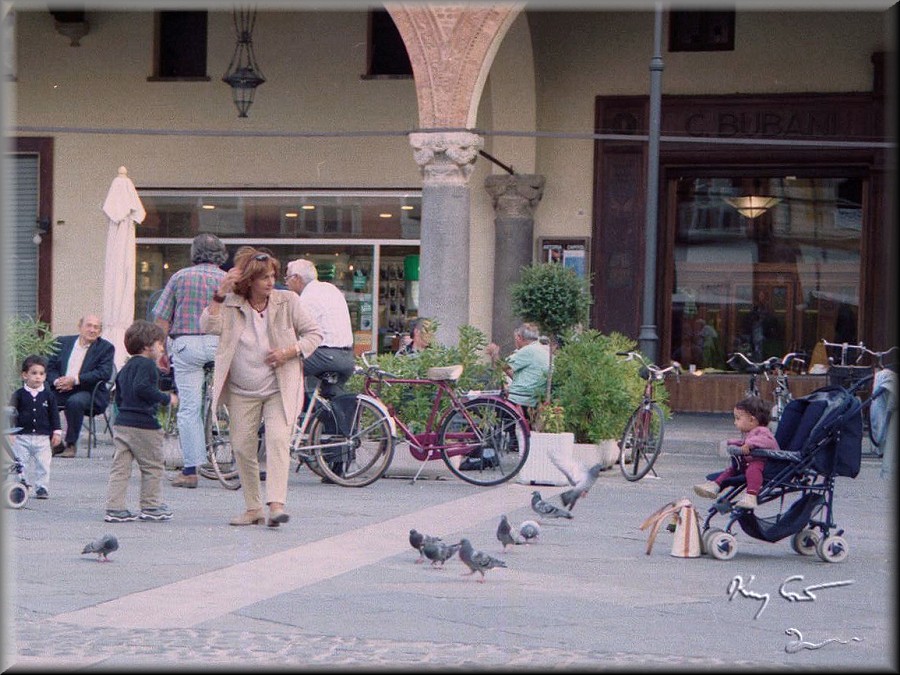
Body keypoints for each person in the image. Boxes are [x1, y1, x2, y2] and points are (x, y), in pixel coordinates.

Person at [200, 247, 323, 527]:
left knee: (278, 441)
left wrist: (289, 351)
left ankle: (276, 505)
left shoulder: (287, 301)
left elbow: (314, 334)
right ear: (249, 281)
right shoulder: (231, 302)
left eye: (273, 276)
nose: (270, 282)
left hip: (279, 386)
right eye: (263, 277)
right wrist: (219, 293)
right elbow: (208, 325)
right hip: (242, 390)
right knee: (242, 447)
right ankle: (253, 507)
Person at [152, 232, 228, 488]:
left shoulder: (180, 276)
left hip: (188, 345)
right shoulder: (227, 280)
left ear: (194, 253)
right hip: (220, 345)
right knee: (234, 400)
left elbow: (162, 318)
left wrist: (160, 351)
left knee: (189, 409)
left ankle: (190, 470)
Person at [104, 320, 178, 523]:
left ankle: (115, 507)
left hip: (123, 423)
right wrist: (166, 398)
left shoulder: (126, 367)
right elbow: (142, 388)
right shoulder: (147, 365)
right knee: (152, 466)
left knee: (120, 467)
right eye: (159, 344)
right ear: (147, 346)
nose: (162, 348)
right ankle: (151, 505)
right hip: (143, 424)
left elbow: (118, 395)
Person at [46, 314, 115, 458]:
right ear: (80, 327)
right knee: (44, 399)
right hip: (61, 388)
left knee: (75, 402)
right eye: (89, 326)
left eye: (96, 327)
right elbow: (50, 367)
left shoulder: (106, 348)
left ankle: (71, 444)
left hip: (89, 391)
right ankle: (55, 443)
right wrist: (57, 381)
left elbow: (103, 373)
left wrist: (75, 380)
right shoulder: (62, 342)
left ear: (100, 331)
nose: (92, 330)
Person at [692, 395, 778, 510]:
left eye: (738, 418)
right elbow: (744, 442)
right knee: (731, 469)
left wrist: (749, 444)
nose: (735, 422)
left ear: (752, 420)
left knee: (753, 469)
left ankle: (751, 495)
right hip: (748, 462)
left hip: (764, 463)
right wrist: (734, 443)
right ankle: (715, 485)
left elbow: (767, 442)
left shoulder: (763, 431)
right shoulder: (750, 432)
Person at [284, 258, 355, 397]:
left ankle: (290, 410)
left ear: (296, 278)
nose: (286, 283)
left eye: (287, 278)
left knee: (284, 366)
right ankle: (317, 415)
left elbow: (296, 330)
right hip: (346, 358)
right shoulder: (330, 289)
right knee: (331, 400)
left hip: (324, 356)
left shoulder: (308, 297)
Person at [8, 355, 63, 499]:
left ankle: (42, 487)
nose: (38, 377)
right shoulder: (19, 394)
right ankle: (21, 485)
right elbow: (11, 413)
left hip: (42, 437)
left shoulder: (48, 396)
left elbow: (54, 414)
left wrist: (56, 432)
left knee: (43, 464)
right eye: (33, 373)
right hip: (22, 436)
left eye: (41, 374)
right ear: (24, 375)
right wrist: (10, 431)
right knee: (20, 462)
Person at [485, 322, 550, 419]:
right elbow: (515, 374)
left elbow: (503, 365)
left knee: (492, 410)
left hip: (520, 398)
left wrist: (494, 354)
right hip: (533, 398)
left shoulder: (528, 350)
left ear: (519, 337)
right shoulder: (541, 349)